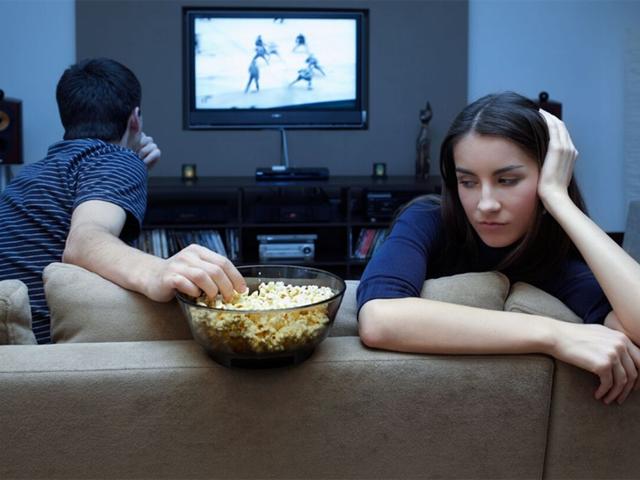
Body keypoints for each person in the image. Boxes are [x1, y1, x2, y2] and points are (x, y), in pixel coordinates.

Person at [357, 91, 640, 405]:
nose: (485, 204)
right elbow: (379, 317)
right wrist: (555, 335)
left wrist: (559, 199)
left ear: (549, 176)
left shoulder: (556, 263)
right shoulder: (427, 220)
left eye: (507, 180)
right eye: (468, 182)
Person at [0, 58, 246, 344]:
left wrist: (132, 166)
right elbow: (83, 242)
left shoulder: (26, 175)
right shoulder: (117, 160)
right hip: (52, 349)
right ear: (135, 118)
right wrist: (160, 270)